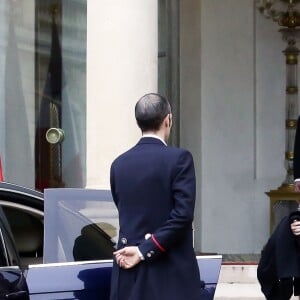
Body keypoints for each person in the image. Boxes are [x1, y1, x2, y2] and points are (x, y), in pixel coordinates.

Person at [109, 93, 203, 300]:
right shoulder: (180, 159)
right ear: (168, 119)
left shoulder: (119, 164)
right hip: (170, 275)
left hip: (128, 275)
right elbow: (182, 216)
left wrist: (141, 250)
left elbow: (124, 209)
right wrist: (145, 250)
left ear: (138, 122)